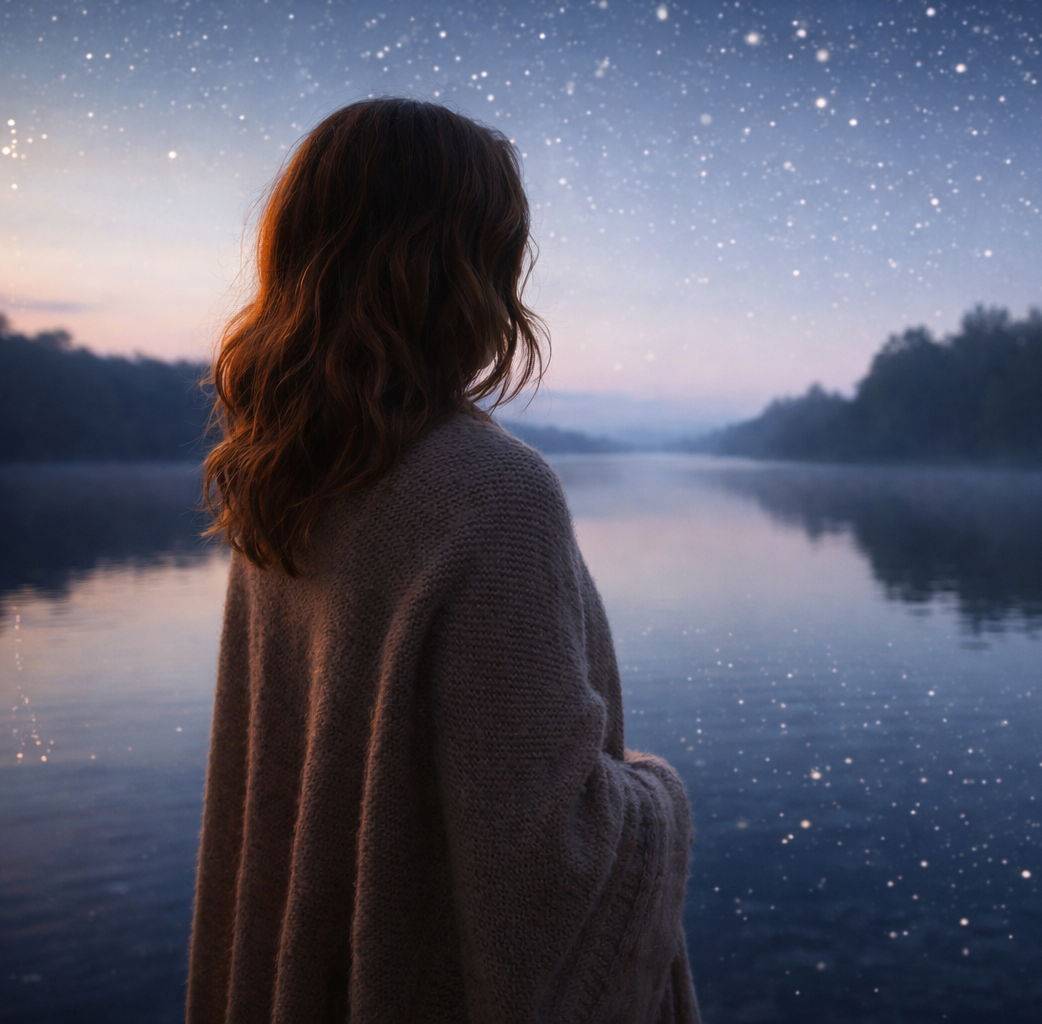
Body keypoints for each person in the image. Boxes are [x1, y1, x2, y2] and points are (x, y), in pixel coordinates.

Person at [187, 99, 698, 1023]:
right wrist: (659, 795)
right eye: (505, 253)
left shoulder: (282, 486)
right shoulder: (491, 494)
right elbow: (546, 873)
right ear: (467, 270)